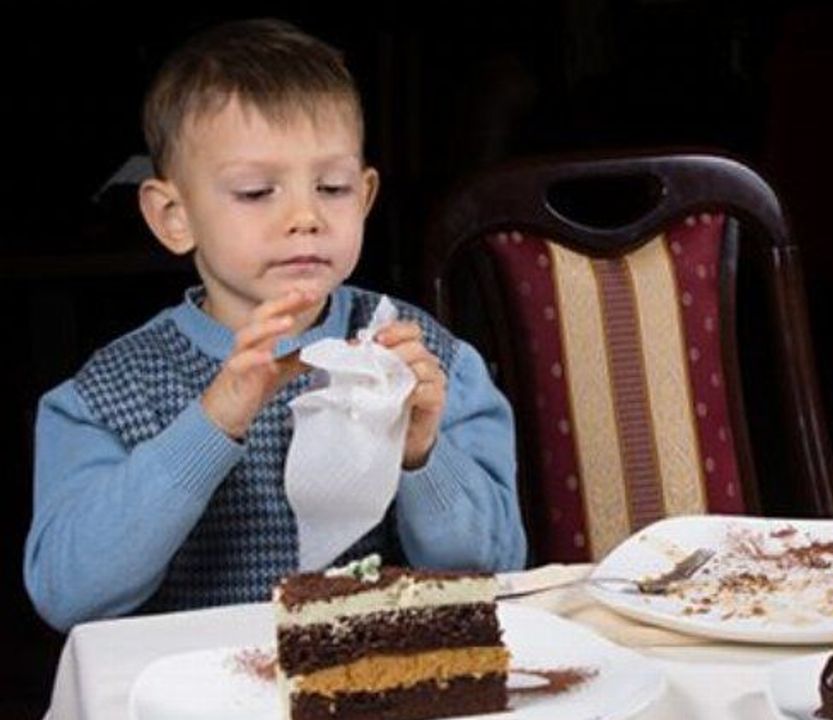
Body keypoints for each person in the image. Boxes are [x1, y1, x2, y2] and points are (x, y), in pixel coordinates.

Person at [23, 18, 526, 632]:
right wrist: (212, 422)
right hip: (192, 680)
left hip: (376, 672)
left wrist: (422, 454)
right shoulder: (111, 392)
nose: (305, 216)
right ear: (174, 216)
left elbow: (497, 572)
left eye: (332, 187)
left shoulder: (431, 363)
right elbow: (67, 593)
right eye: (257, 191)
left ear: (365, 196)